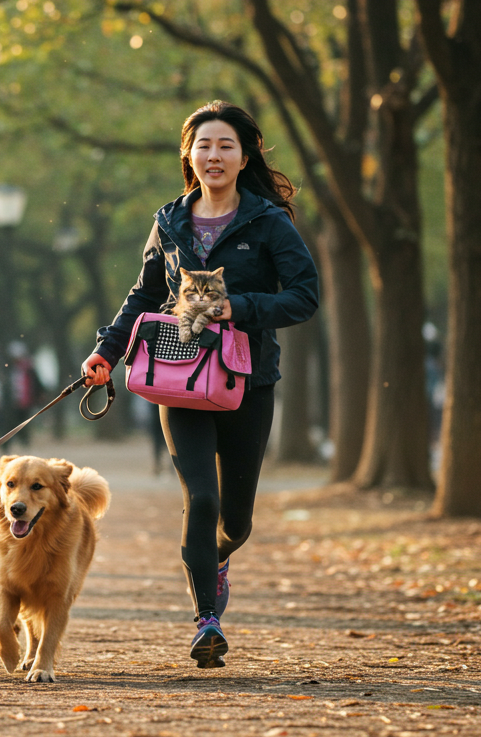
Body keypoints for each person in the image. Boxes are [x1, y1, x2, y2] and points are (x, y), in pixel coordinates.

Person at [81, 101, 319, 668]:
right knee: (201, 498)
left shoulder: (268, 222)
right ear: (189, 154)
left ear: (244, 157)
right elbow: (143, 296)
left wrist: (239, 307)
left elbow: (304, 296)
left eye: (226, 146)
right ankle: (206, 620)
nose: (214, 155)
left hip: (246, 383)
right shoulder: (169, 221)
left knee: (235, 520)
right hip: (178, 377)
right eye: (204, 145)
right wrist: (106, 352)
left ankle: (214, 560)